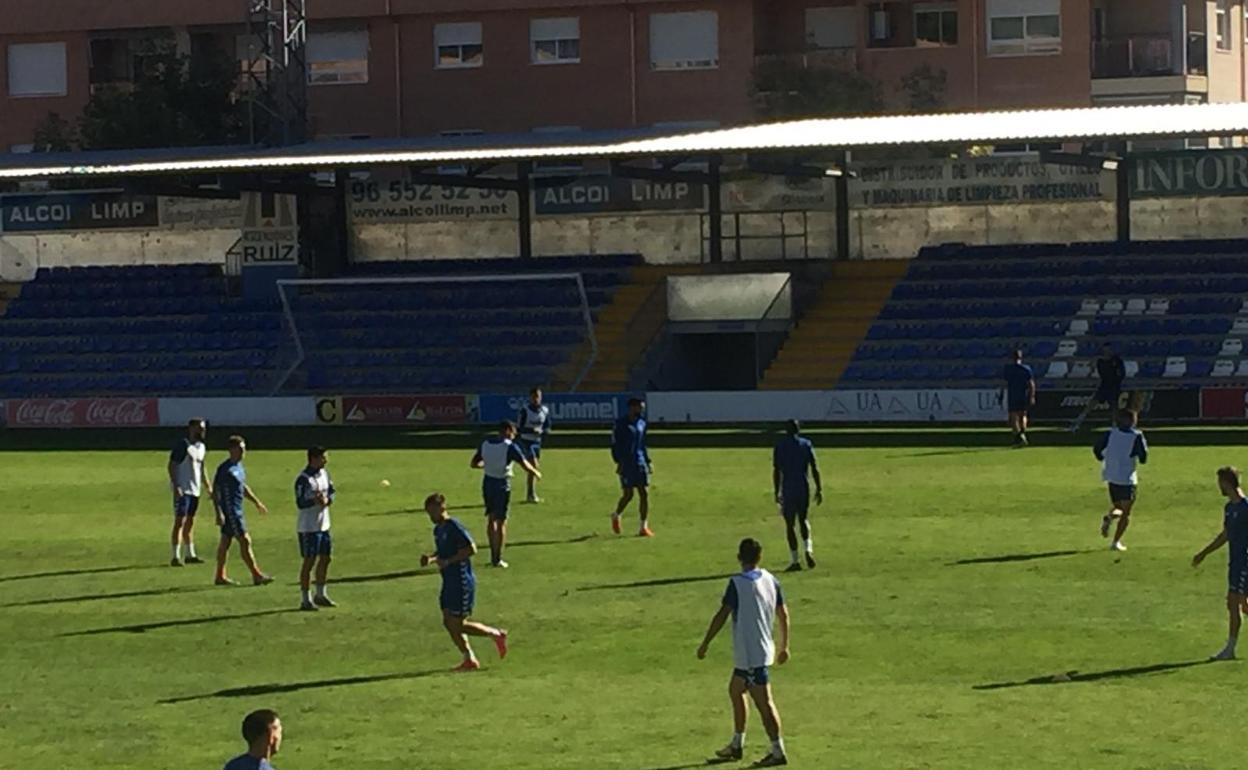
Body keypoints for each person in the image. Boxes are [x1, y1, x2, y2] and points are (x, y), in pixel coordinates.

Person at [697, 538, 791, 768]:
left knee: (764, 703)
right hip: (759, 650)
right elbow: (783, 614)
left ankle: (778, 751)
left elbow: (722, 614)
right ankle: (737, 744)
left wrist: (706, 642)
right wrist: (784, 645)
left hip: (751, 654)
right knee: (735, 689)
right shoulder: (771, 580)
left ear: (739, 557)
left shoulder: (738, 583)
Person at [419, 493, 509, 671]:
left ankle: (495, 634)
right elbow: (443, 551)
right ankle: (469, 659)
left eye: (433, 513)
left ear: (442, 508)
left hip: (461, 581)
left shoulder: (454, 527)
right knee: (448, 621)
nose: (431, 517)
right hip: (448, 582)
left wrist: (449, 561)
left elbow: (471, 549)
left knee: (458, 623)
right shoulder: (438, 530)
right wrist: (431, 558)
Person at [1192, 466, 1248, 661]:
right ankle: (1230, 649)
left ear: (1226, 483)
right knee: (1238, 604)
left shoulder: (1245, 507)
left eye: (1220, 483)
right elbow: (1225, 535)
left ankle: (1230, 649)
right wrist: (1204, 553)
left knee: (1235, 602)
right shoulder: (1230, 508)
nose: (1219, 487)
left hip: (1245, 563)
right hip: (1235, 563)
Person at [470, 420, 541, 568]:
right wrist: (535, 472)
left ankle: (492, 554)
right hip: (502, 484)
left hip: (487, 482)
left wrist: (488, 465)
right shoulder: (509, 447)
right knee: (501, 521)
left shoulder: (486, 443)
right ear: (508, 431)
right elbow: (524, 464)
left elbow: (474, 464)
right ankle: (498, 558)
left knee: (490, 519)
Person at [212, 435, 274, 586]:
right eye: (240, 449)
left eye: (244, 448)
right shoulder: (224, 469)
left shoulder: (239, 467)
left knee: (225, 542)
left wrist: (256, 502)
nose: (243, 452)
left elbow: (242, 487)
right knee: (245, 540)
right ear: (231, 450)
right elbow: (216, 492)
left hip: (238, 510)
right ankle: (256, 574)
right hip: (231, 511)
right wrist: (218, 512)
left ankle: (220, 575)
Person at [1092, 409, 1148, 553]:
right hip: (1127, 477)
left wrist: (1103, 458)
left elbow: (1097, 448)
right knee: (1126, 512)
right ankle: (1116, 541)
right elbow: (1143, 458)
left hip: (1111, 475)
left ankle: (1110, 517)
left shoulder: (1110, 433)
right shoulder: (1136, 436)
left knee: (1118, 506)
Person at [772, 420, 823, 572]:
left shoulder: (780, 446)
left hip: (789, 488)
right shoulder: (806, 444)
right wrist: (819, 488)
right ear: (798, 430)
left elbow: (776, 470)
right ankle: (808, 549)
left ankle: (795, 560)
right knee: (803, 519)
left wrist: (777, 491)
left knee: (790, 524)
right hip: (803, 486)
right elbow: (814, 467)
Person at [295, 446, 335, 611]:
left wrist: (328, 500)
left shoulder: (324, 474)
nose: (325, 461)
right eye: (323, 458)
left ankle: (321, 594)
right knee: (309, 562)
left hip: (324, 525)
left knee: (326, 558)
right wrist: (315, 501)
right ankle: (305, 599)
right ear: (313, 459)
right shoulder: (303, 480)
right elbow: (300, 502)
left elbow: (332, 492)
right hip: (308, 527)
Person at [168, 418, 212, 566]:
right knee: (180, 521)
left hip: (195, 489)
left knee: (191, 521)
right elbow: (172, 465)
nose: (202, 431)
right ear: (192, 429)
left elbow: (202, 467)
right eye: (200, 428)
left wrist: (207, 486)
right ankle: (175, 555)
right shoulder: (183, 446)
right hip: (184, 489)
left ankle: (190, 553)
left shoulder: (201, 447)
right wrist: (176, 486)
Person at [611, 397, 653, 537]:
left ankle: (643, 526)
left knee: (644, 493)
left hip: (640, 462)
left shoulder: (642, 423)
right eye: (640, 407)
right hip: (627, 464)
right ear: (632, 407)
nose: (642, 410)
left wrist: (647, 460)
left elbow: (643, 443)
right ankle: (616, 515)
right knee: (628, 495)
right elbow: (615, 444)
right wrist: (619, 461)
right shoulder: (621, 424)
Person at [1071, 343, 1126, 431]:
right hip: (1104, 386)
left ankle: (1114, 425)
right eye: (1105, 349)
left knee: (1114, 407)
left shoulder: (1117, 360)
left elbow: (1122, 373)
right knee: (1092, 403)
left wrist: (1117, 380)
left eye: (1108, 349)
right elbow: (1102, 373)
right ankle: (1079, 421)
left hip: (1114, 387)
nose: (1107, 351)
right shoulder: (1100, 361)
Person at [517, 386, 552, 503]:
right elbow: (519, 429)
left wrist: (543, 431)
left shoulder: (545, 410)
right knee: (534, 466)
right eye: (534, 397)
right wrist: (532, 431)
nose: (536, 399)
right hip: (526, 441)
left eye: (538, 396)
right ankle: (531, 494)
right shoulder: (525, 411)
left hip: (537, 442)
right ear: (530, 398)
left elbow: (548, 426)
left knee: (533, 467)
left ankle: (530, 494)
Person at [1001, 350, 1035, 447]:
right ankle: (1023, 433)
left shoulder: (1008, 369)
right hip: (1023, 395)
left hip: (1013, 395)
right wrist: (1032, 396)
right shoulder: (1026, 369)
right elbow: (1031, 384)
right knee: (1023, 415)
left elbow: (1004, 383)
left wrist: (1001, 394)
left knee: (1013, 417)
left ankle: (1019, 437)